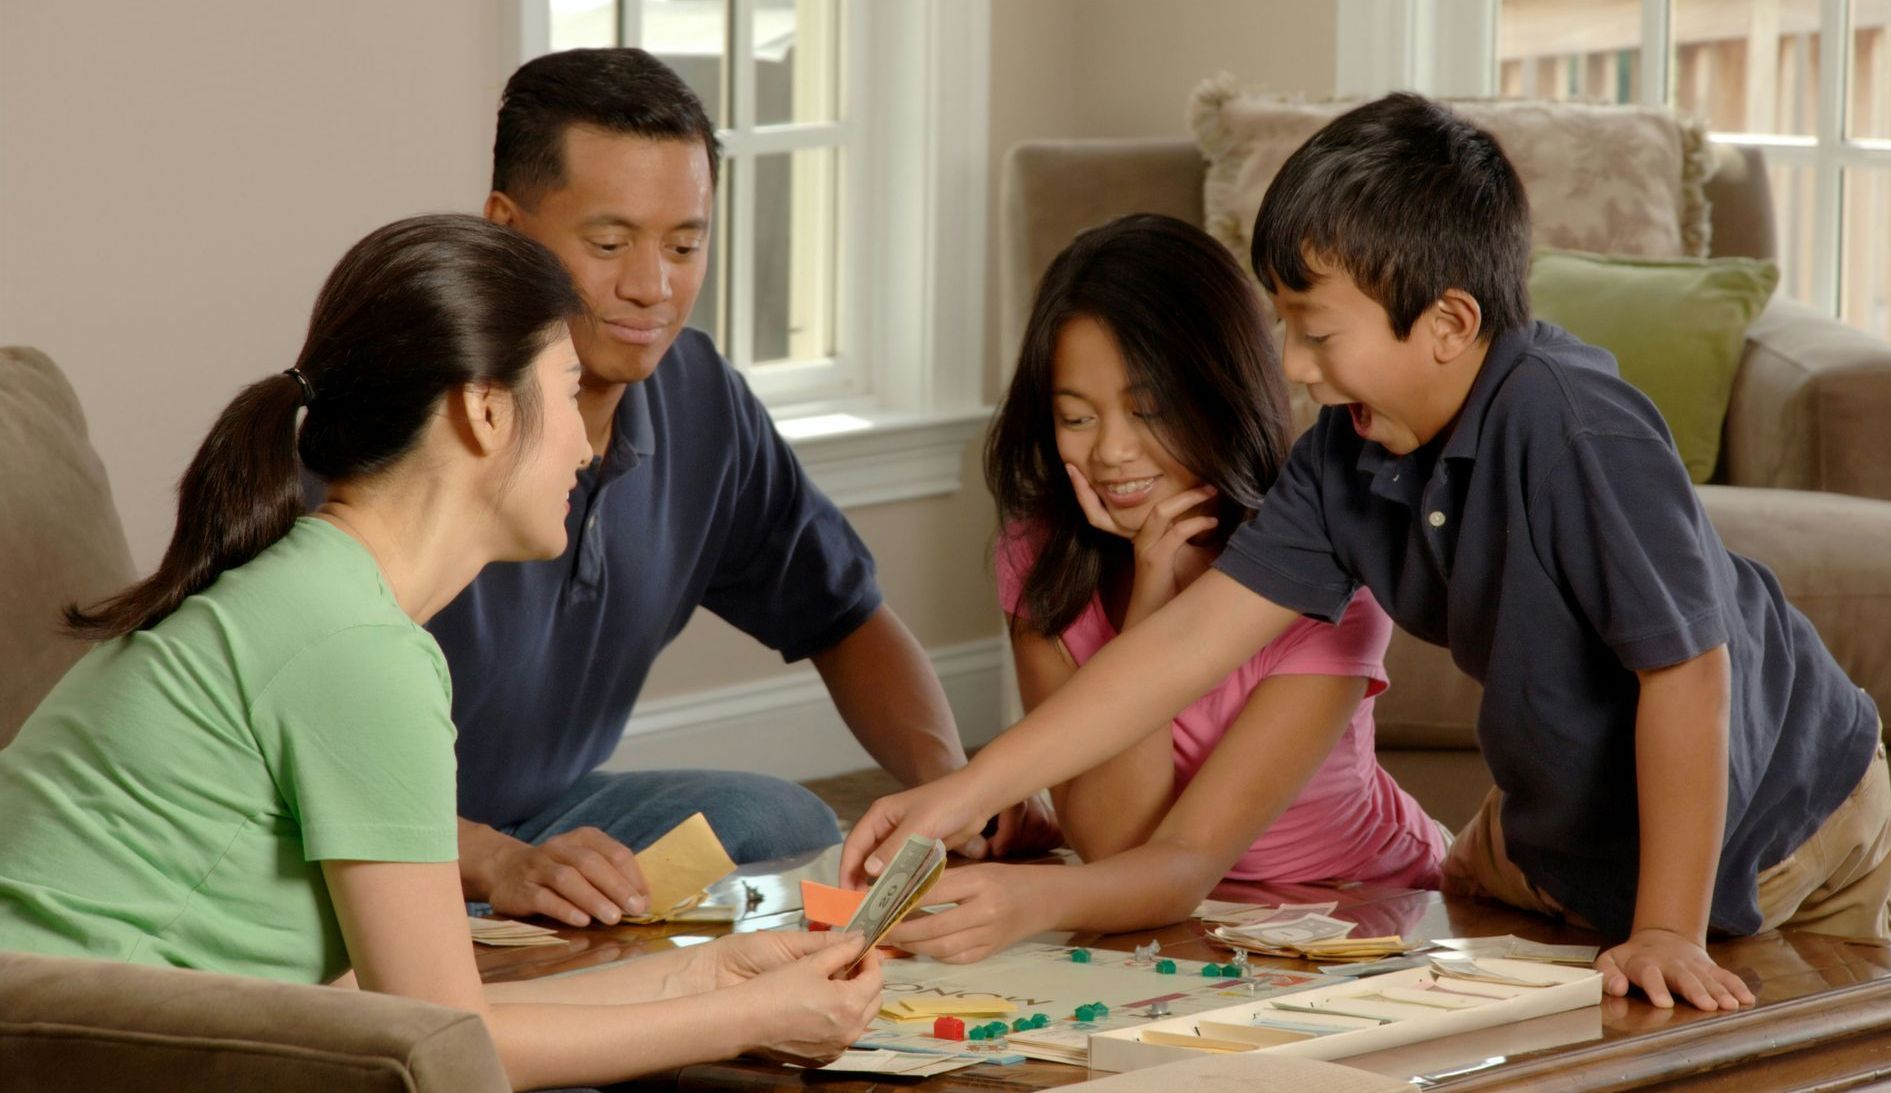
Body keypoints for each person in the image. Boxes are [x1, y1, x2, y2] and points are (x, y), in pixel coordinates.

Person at [844, 94, 1891, 1011]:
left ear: (1447, 323)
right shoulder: (1342, 462)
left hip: (1776, 809)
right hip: (1566, 824)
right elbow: (1174, 655)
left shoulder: (1574, 423)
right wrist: (962, 792)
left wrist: (1670, 925)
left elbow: (1687, 671)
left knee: (1756, 1034)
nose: (1296, 369)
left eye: (1316, 331)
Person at [0, 214, 883, 1088]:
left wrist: (706, 976)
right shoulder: (357, 649)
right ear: (486, 410)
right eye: (569, 390)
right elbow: (449, 1052)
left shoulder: (316, 593)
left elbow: (398, 1010)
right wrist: (750, 1020)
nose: (585, 442)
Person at [437, 47, 1056, 929]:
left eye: (685, 244)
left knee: (781, 818)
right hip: (367, 837)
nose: (651, 286)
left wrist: (947, 788)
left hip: (545, 811)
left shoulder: (698, 398)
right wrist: (494, 860)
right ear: (506, 227)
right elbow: (291, 758)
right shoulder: (417, 415)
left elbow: (844, 616)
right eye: (609, 244)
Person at [884, 214, 1446, 964]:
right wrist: (1150, 592)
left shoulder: (1328, 571)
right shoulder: (1043, 556)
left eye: (1148, 410)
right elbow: (1115, 840)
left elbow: (1181, 859)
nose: (1112, 451)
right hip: (1167, 920)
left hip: (1357, 905)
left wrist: (1031, 896)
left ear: (1221, 391)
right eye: (1077, 417)